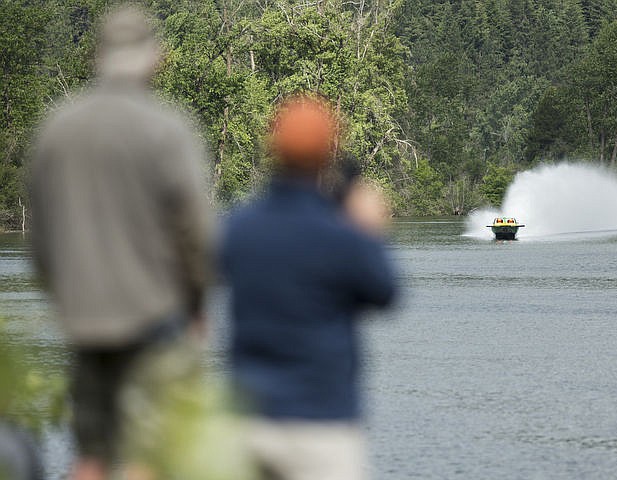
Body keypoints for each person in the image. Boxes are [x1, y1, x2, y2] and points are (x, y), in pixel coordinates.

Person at [30, 6, 212, 480]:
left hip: (85, 320)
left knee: (90, 453)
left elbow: (42, 237)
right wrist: (196, 302)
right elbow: (194, 232)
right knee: (149, 454)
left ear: (98, 57)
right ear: (153, 58)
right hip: (154, 316)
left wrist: (65, 295)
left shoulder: (57, 128)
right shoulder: (166, 128)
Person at [220, 95, 397, 480]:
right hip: (322, 422)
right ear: (324, 157)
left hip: (249, 419)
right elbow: (386, 292)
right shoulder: (341, 237)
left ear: (274, 150)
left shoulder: (238, 227)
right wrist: (369, 229)